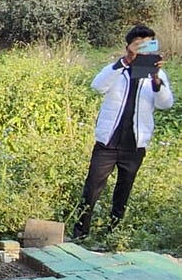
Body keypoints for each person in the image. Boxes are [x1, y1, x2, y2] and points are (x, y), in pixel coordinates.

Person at [72, 24, 174, 239]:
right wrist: (124, 62)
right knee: (92, 189)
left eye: (148, 45)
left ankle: (113, 233)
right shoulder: (117, 69)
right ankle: (80, 233)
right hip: (108, 141)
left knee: (123, 191)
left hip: (135, 144)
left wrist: (156, 80)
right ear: (128, 46)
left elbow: (166, 104)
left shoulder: (157, 74)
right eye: (138, 45)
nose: (143, 50)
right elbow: (97, 86)